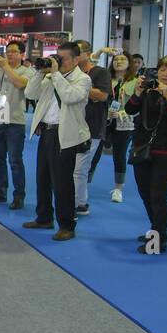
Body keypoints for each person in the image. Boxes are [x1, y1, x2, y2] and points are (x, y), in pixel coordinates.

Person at [22, 43, 92, 241]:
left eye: (63, 59)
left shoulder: (83, 79)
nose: (59, 62)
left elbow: (70, 97)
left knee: (62, 183)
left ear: (77, 59)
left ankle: (67, 225)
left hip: (65, 136)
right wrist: (38, 72)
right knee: (42, 178)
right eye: (57, 58)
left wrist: (55, 74)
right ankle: (44, 217)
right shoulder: (50, 77)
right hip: (47, 132)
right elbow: (30, 94)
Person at [126, 56, 167, 254]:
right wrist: (138, 92)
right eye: (163, 69)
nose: (165, 74)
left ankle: (159, 239)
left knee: (158, 194)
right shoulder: (148, 91)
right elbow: (130, 110)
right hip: (143, 147)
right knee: (144, 191)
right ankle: (156, 227)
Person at [0, 40, 34, 209]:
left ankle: (18, 196)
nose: (9, 54)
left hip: (15, 121)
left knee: (15, 160)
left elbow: (19, 83)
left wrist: (6, 67)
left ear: (22, 54)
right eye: (7, 51)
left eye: (13, 51)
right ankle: (0, 192)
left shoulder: (27, 71)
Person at [72, 41, 115, 217]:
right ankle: (80, 203)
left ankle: (76, 204)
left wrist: (79, 87)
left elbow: (103, 95)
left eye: (78, 52)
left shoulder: (100, 73)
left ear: (88, 54)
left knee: (80, 168)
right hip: (69, 125)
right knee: (70, 167)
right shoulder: (69, 72)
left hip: (92, 127)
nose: (73, 56)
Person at [90, 52, 135, 202]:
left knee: (120, 156)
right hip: (103, 121)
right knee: (93, 154)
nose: (119, 61)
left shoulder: (135, 82)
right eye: (116, 59)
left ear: (130, 63)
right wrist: (101, 50)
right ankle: (84, 183)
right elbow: (92, 63)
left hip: (124, 124)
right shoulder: (106, 79)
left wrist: (122, 114)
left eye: (123, 59)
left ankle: (118, 189)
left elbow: (138, 107)